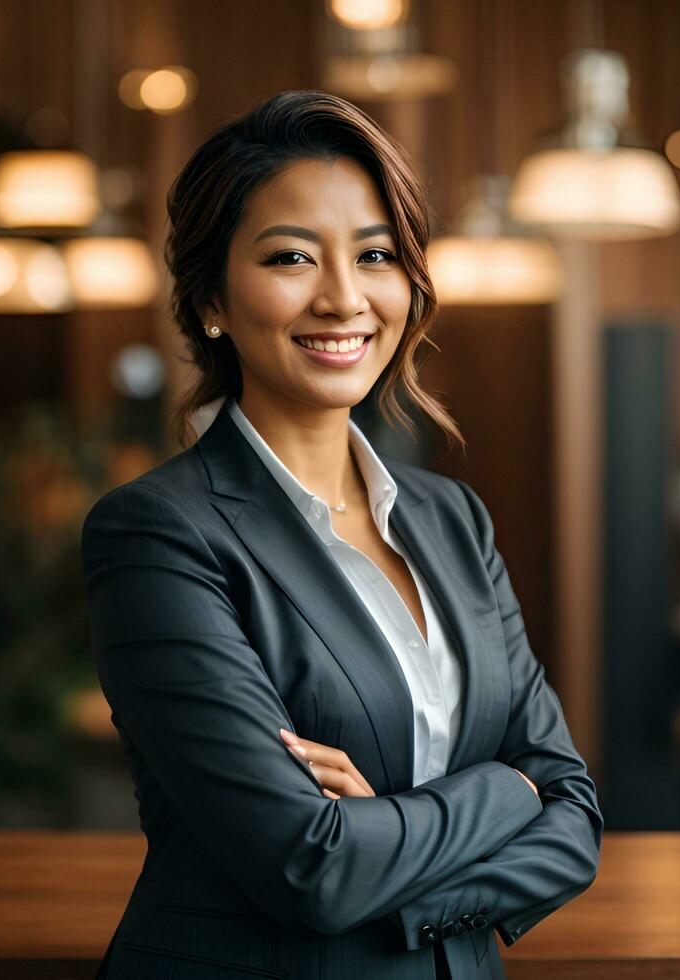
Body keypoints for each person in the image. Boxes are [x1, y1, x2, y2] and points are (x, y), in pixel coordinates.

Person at [82, 90, 601, 980]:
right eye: (291, 257)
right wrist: (503, 790)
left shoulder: (450, 519)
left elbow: (576, 816)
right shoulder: (159, 536)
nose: (343, 298)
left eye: (375, 255)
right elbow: (311, 866)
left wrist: (395, 842)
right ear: (210, 298)